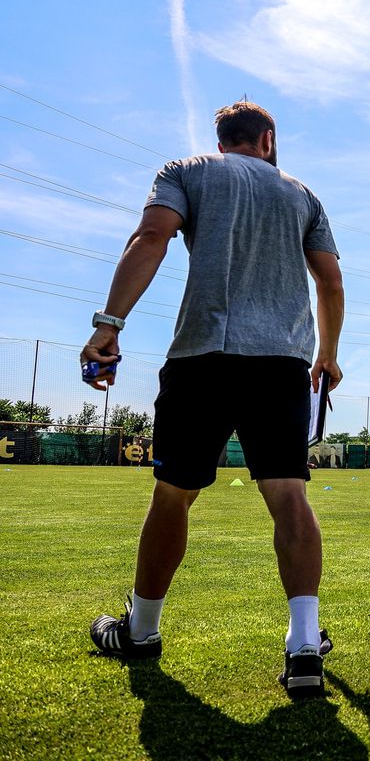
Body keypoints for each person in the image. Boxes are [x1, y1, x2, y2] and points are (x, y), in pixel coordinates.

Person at [82, 102, 344, 699]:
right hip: (281, 362)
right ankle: (304, 646)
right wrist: (326, 354)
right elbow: (329, 281)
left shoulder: (186, 170)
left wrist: (109, 325)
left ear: (222, 139)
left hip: (203, 356)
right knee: (289, 497)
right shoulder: (302, 194)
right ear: (268, 140)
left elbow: (152, 237)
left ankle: (141, 631)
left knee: (173, 496)